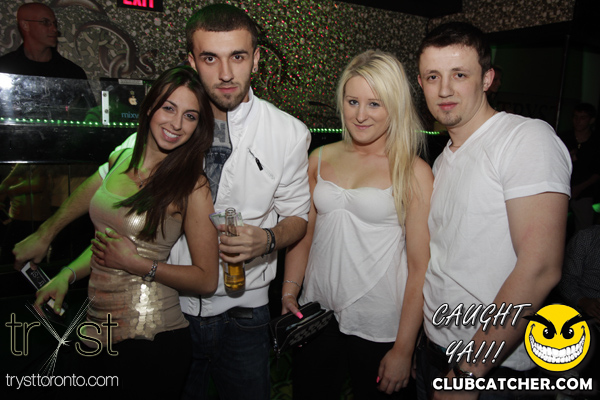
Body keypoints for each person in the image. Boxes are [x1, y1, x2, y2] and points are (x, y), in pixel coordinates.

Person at [15, 4, 311, 400]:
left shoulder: (288, 133)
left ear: (256, 59)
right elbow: (109, 175)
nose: (225, 73)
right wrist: (47, 233)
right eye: (210, 58)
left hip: (244, 312)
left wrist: (268, 239)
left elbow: (298, 217)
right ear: (192, 61)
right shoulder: (172, 123)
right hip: (171, 307)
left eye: (238, 57)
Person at [34, 65, 219, 398]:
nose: (177, 124)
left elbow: (206, 279)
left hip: (152, 339)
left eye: (190, 116)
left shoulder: (192, 185)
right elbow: (109, 244)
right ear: (149, 107)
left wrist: (138, 264)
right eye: (168, 108)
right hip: (95, 328)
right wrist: (66, 275)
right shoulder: (120, 156)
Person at [415, 22, 572, 400]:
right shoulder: (443, 161)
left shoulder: (524, 138)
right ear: (421, 84)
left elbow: (540, 268)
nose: (445, 89)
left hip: (493, 370)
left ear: (487, 79)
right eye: (433, 77)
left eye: (459, 74)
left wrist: (469, 371)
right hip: (436, 354)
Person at [285, 50, 433, 399]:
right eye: (352, 102)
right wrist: (290, 291)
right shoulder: (319, 157)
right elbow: (305, 234)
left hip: (380, 323)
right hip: (317, 312)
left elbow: (420, 267)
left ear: (394, 106)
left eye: (374, 104)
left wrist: (404, 348)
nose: (360, 115)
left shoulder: (413, 171)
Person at [0, 2, 87, 79]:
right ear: (25, 25)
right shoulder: (4, 67)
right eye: (45, 22)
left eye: (55, 23)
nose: (54, 29)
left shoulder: (72, 73)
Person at [559, 103, 600, 234]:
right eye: (576, 117)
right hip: (562, 188)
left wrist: (579, 188)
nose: (578, 121)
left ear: (591, 120)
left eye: (583, 118)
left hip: (585, 193)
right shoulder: (564, 138)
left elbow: (597, 171)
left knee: (584, 230)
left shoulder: (595, 142)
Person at [0, 164, 52, 265]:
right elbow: (2, 188)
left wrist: (10, 190)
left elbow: (37, 186)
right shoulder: (17, 173)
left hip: (38, 222)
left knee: (35, 260)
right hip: (18, 221)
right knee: (9, 258)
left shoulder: (41, 169)